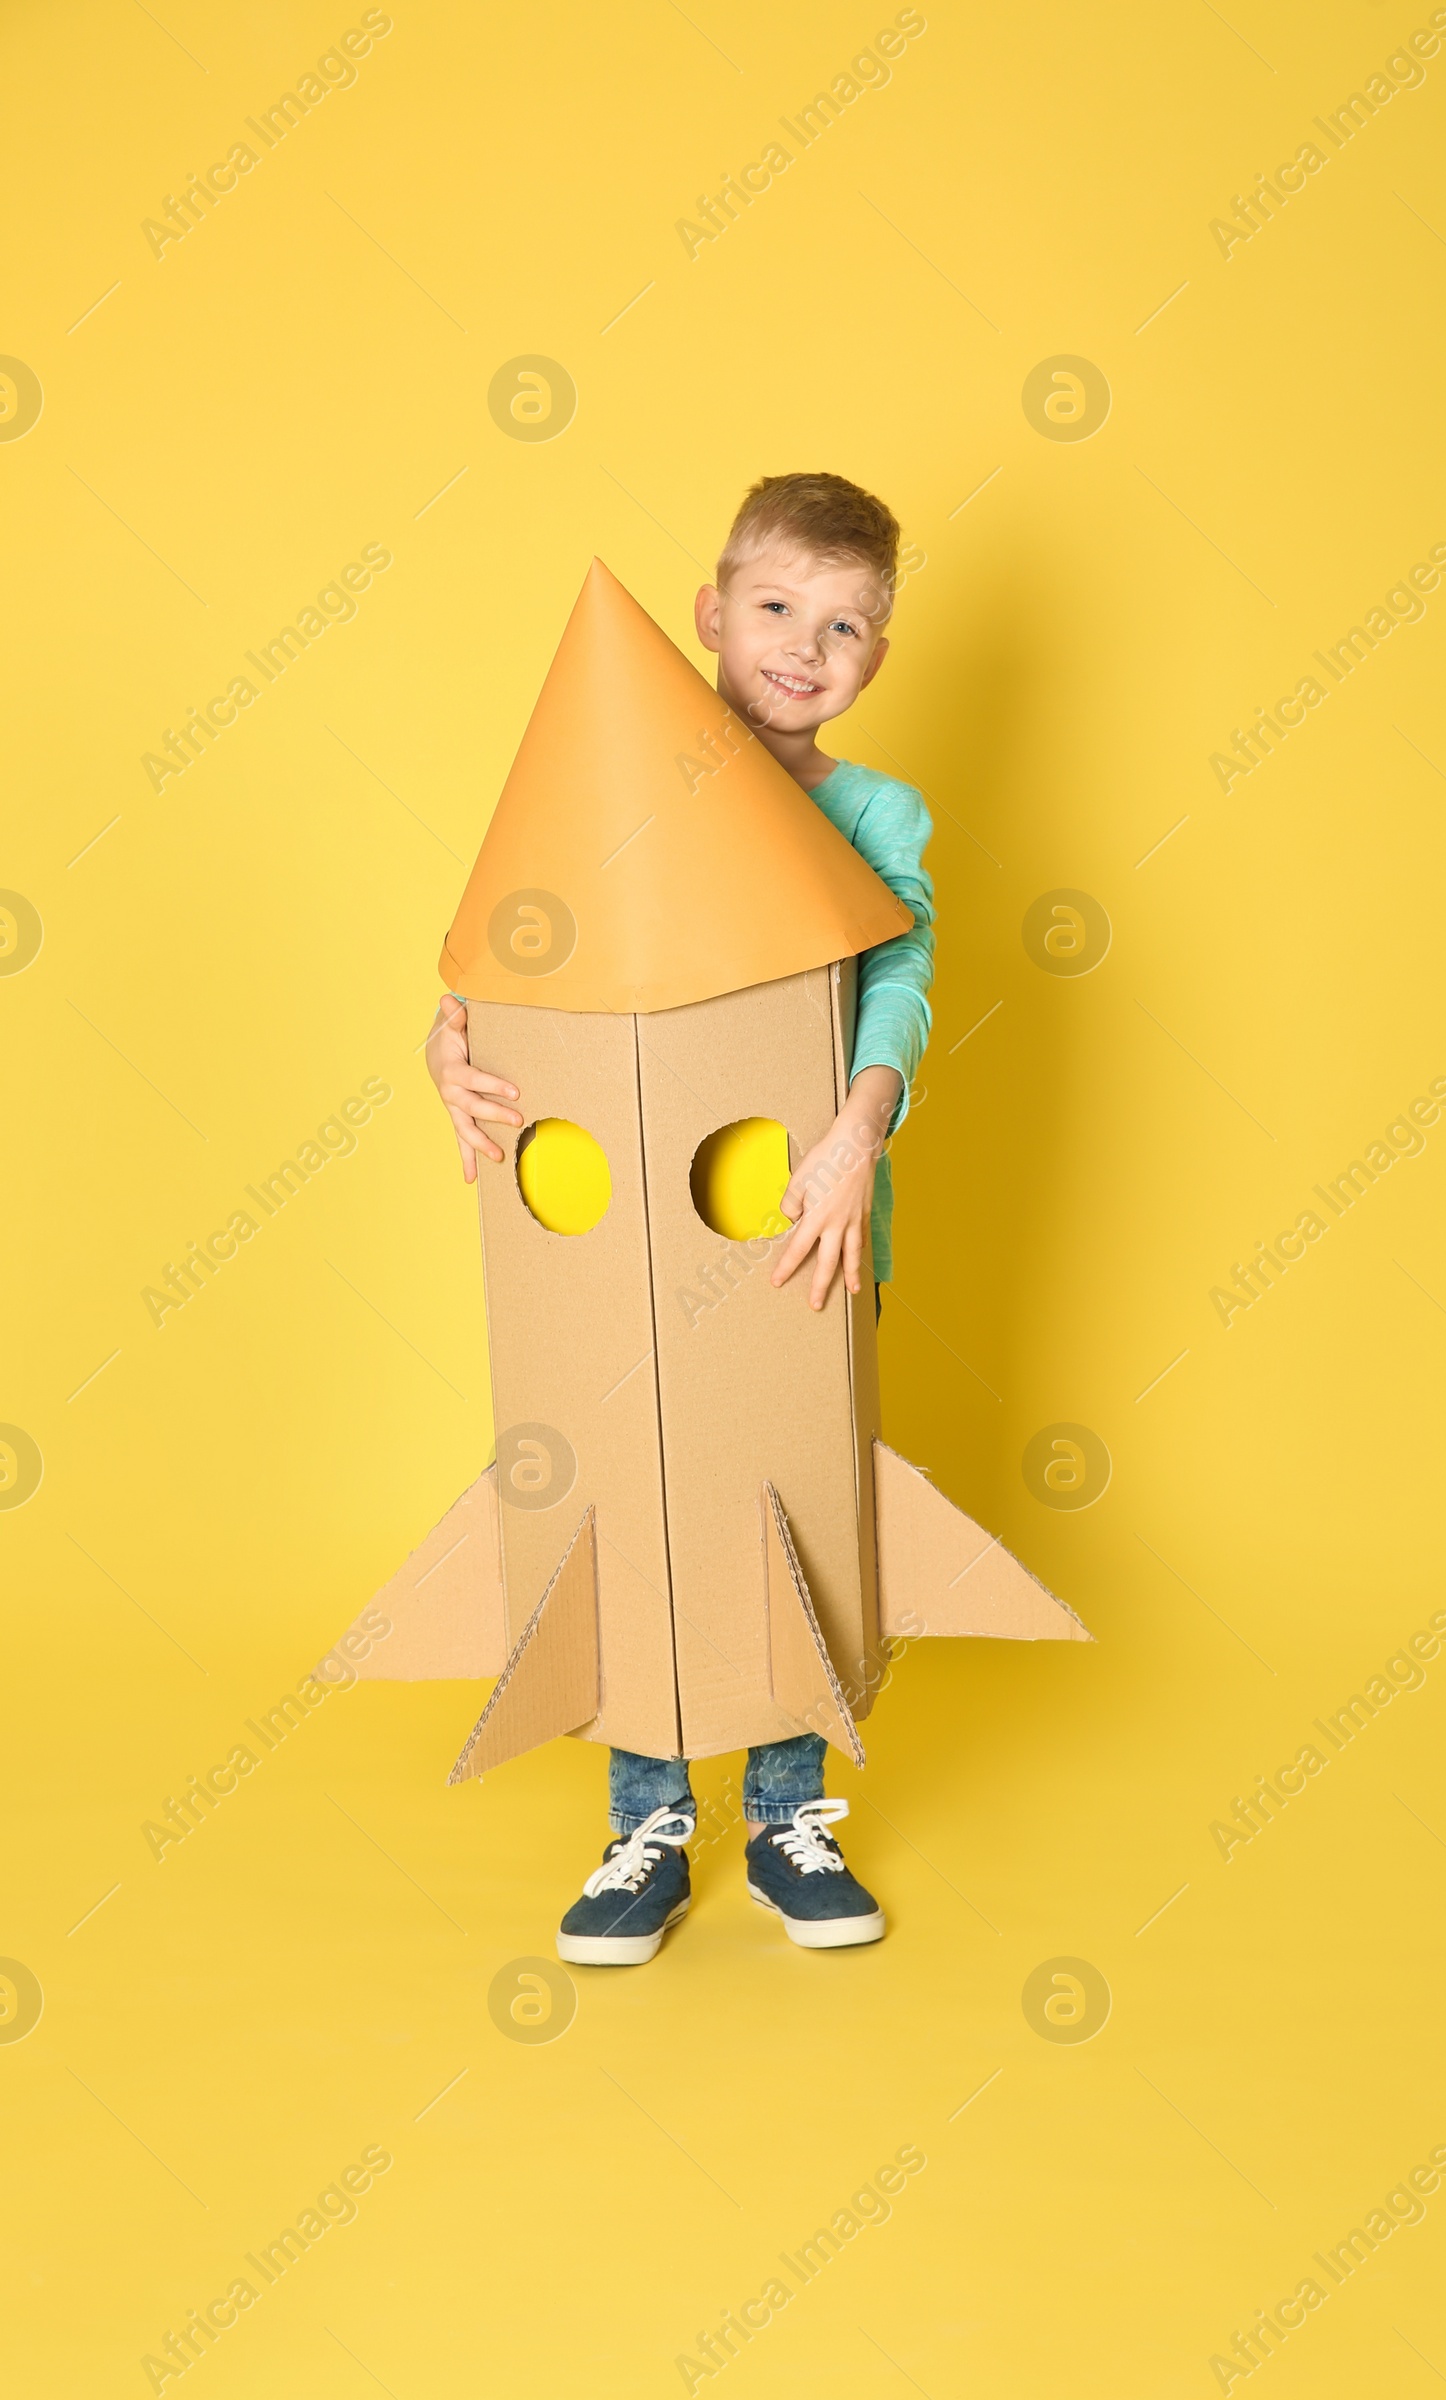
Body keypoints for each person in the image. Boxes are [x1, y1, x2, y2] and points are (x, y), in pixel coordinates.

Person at [426, 471, 935, 1962]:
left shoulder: (872, 810)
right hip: (620, 1267)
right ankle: (643, 1822)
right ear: (711, 613)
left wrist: (857, 1128)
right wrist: (443, 1046)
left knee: (777, 1499)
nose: (804, 644)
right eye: (776, 608)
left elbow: (900, 976)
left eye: (845, 625)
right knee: (628, 1498)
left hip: (795, 1230)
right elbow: (514, 945)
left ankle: (788, 1811)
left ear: (875, 660)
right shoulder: (619, 777)